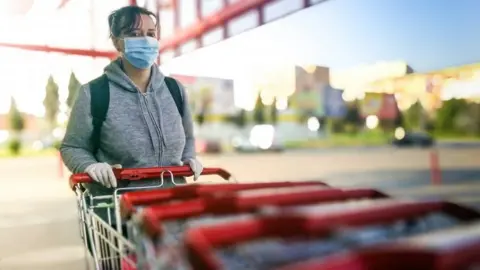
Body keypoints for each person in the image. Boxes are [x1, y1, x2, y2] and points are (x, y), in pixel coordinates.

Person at [61, 5, 203, 196]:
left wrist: (188, 158)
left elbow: (187, 138)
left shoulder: (174, 90)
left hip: (172, 205)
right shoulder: (94, 93)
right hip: (118, 211)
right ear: (117, 42)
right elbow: (72, 147)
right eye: (134, 34)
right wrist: (90, 166)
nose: (145, 39)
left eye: (151, 33)